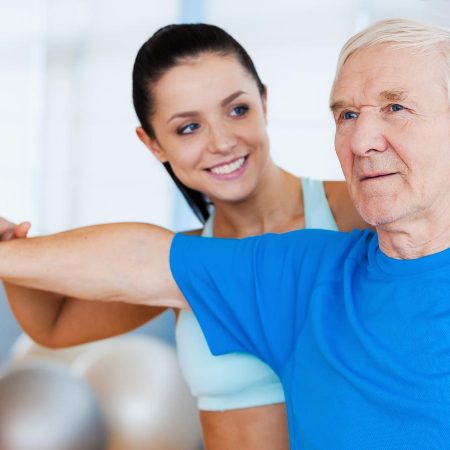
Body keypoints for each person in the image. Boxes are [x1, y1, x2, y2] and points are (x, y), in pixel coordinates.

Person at [2, 17, 449, 449]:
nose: (221, 142)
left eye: (237, 109)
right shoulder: (214, 262)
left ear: (265, 103)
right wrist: (12, 250)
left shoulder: (366, 212)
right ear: (153, 143)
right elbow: (62, 319)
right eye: (189, 126)